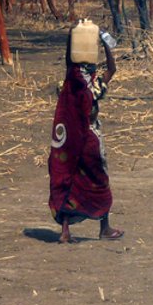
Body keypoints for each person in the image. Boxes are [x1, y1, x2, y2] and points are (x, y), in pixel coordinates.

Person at [48, 28, 124, 243]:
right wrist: (105, 43)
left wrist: (71, 39)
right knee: (99, 181)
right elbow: (112, 69)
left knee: (68, 179)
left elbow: (69, 65)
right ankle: (105, 228)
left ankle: (65, 231)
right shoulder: (93, 88)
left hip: (68, 140)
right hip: (89, 138)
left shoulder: (67, 86)